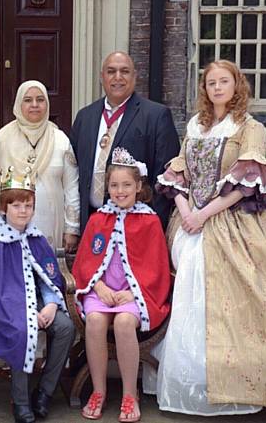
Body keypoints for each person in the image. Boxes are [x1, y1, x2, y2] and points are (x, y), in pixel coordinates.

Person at [145, 59, 266, 415]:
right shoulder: (195, 127)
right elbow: (178, 173)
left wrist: (205, 213)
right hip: (189, 220)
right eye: (211, 83)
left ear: (237, 86)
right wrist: (187, 210)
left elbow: (246, 183)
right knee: (188, 286)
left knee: (237, 293)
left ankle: (236, 381)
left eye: (224, 81)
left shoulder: (250, 129)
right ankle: (189, 378)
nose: (217, 88)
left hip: (233, 222)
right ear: (204, 89)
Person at [72, 148, 171, 422]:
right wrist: (98, 287)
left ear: (139, 186)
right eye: (114, 185)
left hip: (134, 294)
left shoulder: (150, 221)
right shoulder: (98, 219)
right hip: (99, 291)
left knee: (126, 323)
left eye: (127, 185)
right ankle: (99, 391)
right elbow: (85, 261)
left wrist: (132, 292)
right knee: (94, 320)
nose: (120, 190)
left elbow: (156, 268)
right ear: (107, 188)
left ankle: (129, 394)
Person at [0, 167, 76, 423]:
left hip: (39, 301)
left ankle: (44, 392)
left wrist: (51, 304)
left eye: (28, 205)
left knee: (65, 328)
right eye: (16, 205)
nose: (22, 211)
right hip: (7, 305)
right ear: (4, 207)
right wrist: (29, 314)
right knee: (22, 331)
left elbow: (49, 275)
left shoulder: (36, 238)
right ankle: (20, 402)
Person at [69, 51, 180, 232]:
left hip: (135, 225)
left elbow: (165, 178)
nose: (118, 77)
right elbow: (73, 173)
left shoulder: (156, 116)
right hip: (90, 222)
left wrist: (153, 227)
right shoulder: (85, 117)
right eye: (111, 71)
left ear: (135, 76)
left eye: (125, 71)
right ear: (102, 76)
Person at [0, 80, 80, 251]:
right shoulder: (3, 139)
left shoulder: (60, 139)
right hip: (10, 226)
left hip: (50, 225)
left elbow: (71, 186)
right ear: (19, 103)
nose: (34, 105)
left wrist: (72, 227)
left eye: (40, 100)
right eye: (28, 100)